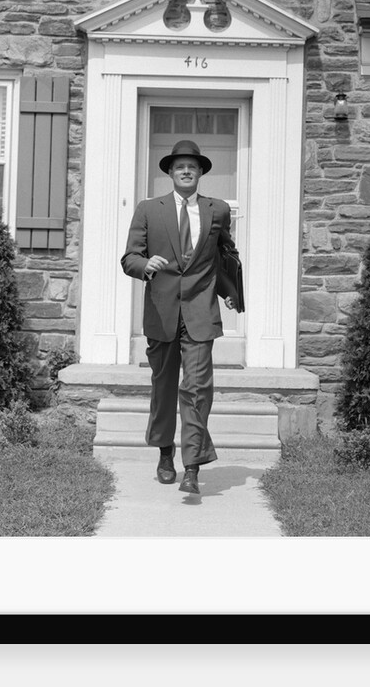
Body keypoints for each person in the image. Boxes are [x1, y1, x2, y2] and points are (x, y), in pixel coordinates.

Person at [120, 140, 241, 494]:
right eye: (179, 167)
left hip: (201, 311)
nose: (186, 171)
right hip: (162, 312)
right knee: (164, 387)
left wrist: (230, 290)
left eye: (192, 166)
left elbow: (224, 254)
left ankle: (192, 466)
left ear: (201, 172)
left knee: (197, 388)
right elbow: (130, 258)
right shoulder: (148, 209)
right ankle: (164, 451)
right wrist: (146, 265)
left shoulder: (217, 210)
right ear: (170, 173)